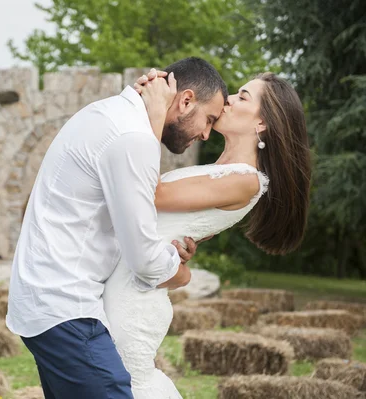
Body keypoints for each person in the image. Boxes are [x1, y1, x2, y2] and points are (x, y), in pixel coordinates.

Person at [6, 57, 228, 399]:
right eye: (209, 118)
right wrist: (180, 270)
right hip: (68, 311)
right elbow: (144, 261)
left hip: (51, 305)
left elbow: (120, 222)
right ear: (185, 101)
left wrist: (166, 247)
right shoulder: (132, 137)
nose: (206, 133)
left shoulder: (110, 114)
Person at [102, 69, 312, 398]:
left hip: (133, 301)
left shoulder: (246, 179)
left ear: (262, 124)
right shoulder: (218, 170)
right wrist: (179, 261)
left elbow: (151, 194)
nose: (228, 99)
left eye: (243, 97)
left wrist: (155, 115)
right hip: (130, 282)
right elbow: (171, 232)